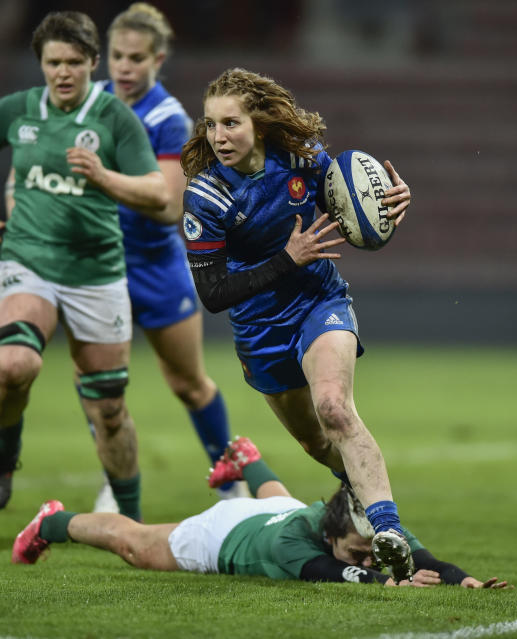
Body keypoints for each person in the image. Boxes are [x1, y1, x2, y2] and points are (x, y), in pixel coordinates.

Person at [178, 68, 415, 580]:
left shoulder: (303, 157)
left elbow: (346, 205)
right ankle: (352, 484)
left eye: (231, 123)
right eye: (211, 125)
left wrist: (387, 206)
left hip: (317, 301)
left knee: (334, 405)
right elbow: (214, 294)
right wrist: (287, 258)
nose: (219, 136)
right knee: (314, 441)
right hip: (259, 331)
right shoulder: (206, 196)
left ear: (258, 124)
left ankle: (390, 529)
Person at [4, 3, 241, 507]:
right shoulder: (85, 105)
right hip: (92, 268)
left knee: (188, 382)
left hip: (155, 267)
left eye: (137, 57)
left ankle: (230, 480)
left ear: (159, 59)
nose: (125, 67)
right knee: (98, 386)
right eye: (117, 56)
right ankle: (116, 481)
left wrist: (99, 179)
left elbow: (169, 206)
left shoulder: (168, 119)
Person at [0, 10, 171, 519]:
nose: (63, 72)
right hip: (29, 260)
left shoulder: (115, 118)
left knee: (110, 410)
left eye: (74, 62)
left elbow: (158, 192)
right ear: (41, 63)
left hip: (97, 272)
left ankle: (130, 519)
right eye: (53, 62)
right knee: (15, 364)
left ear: (93, 63)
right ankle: (5, 451)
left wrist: (104, 178)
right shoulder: (19, 109)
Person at [12, 436, 511, 590]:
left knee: (279, 500)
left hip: (278, 508)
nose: (373, 557)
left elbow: (424, 556)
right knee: (136, 546)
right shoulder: (295, 546)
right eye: (362, 552)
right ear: (331, 536)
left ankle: (247, 459)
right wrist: (389, 584)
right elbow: (332, 574)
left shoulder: (367, 522)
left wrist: (459, 578)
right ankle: (52, 520)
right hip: (224, 536)